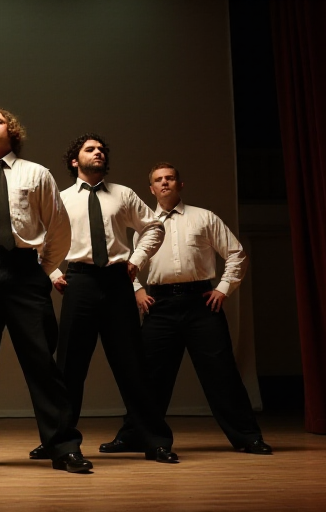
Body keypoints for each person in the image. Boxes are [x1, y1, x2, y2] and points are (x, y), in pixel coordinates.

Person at [0, 106, 90, 473]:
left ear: (13, 131)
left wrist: (42, 271)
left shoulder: (36, 174)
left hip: (26, 272)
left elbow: (58, 228)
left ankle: (62, 445)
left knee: (42, 361)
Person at [98, 162, 272, 455]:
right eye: (158, 180)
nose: (164, 183)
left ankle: (247, 436)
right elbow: (125, 264)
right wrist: (138, 291)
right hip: (160, 305)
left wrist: (223, 288)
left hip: (201, 303)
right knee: (148, 376)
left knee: (222, 373)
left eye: (170, 178)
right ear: (150, 189)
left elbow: (236, 254)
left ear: (180, 184)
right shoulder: (143, 224)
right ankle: (133, 435)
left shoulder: (204, 218)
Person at [37, 134, 180, 464]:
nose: (98, 153)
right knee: (69, 366)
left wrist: (136, 261)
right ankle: (57, 441)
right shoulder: (60, 199)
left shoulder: (123, 195)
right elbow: (38, 242)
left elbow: (153, 228)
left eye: (101, 149)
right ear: (75, 161)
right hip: (80, 282)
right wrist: (54, 274)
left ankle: (155, 441)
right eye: (90, 149)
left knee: (133, 364)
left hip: (117, 282)